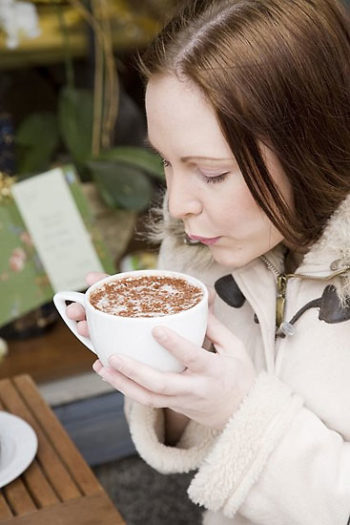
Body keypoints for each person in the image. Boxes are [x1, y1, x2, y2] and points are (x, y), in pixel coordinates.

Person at [66, 0, 350, 523]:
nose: (177, 205)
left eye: (212, 173)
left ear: (313, 143)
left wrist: (240, 408)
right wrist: (166, 364)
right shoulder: (199, 247)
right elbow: (191, 450)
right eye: (166, 162)